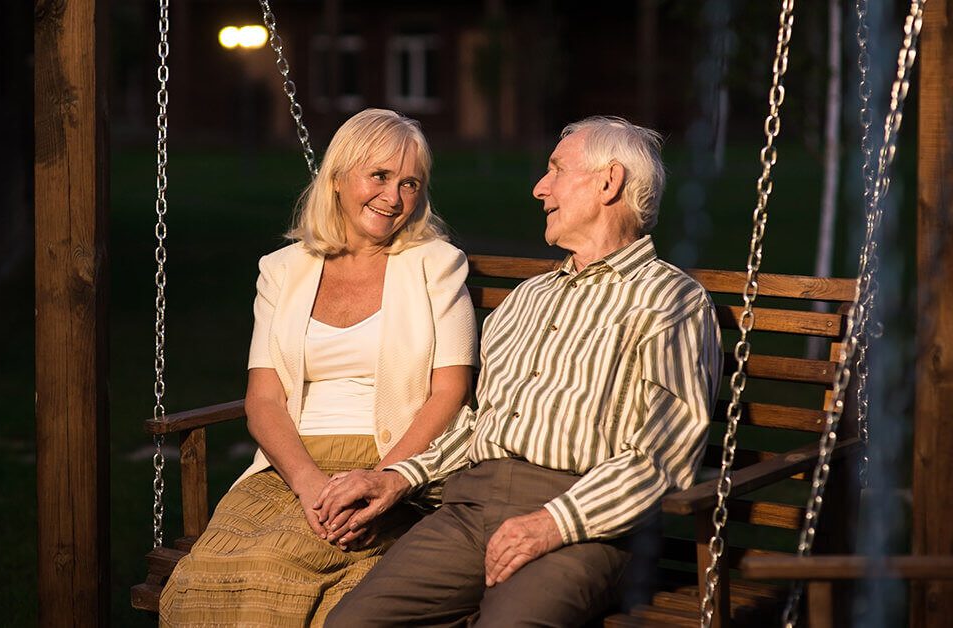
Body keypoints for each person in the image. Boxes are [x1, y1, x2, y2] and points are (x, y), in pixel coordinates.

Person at [317, 116, 723, 627]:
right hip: (468, 511)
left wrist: (553, 522)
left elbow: (664, 457)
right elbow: (479, 424)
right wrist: (397, 478)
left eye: (555, 170)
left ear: (608, 182)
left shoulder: (671, 302)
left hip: (584, 522)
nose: (539, 188)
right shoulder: (528, 298)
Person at [159, 108, 478, 627]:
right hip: (291, 466)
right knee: (210, 577)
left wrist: (382, 480)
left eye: (410, 183)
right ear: (337, 178)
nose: (393, 198)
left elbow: (450, 392)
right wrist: (308, 483)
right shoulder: (283, 270)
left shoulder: (436, 265)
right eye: (378, 176)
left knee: (310, 585)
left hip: (390, 460)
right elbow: (262, 400)